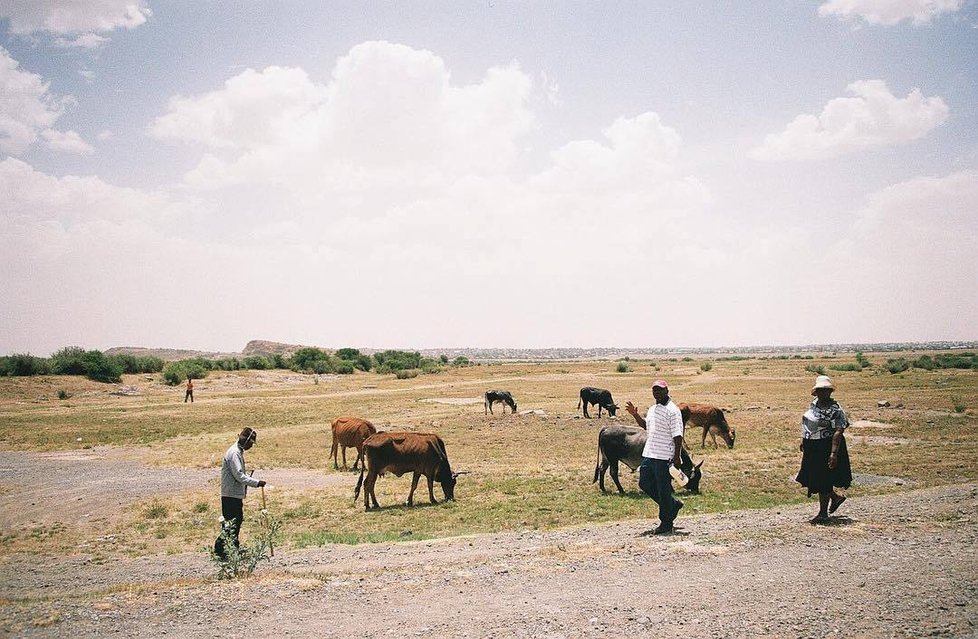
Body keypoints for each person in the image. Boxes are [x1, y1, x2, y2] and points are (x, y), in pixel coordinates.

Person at [625, 379, 685, 535]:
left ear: (667, 390)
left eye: (660, 390)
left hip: (664, 456)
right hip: (650, 454)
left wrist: (677, 456)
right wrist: (635, 415)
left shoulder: (673, 410)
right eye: (654, 390)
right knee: (644, 483)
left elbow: (678, 435)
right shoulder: (652, 409)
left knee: (663, 489)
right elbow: (646, 426)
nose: (657, 392)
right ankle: (672, 505)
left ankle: (666, 523)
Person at [796, 375, 852, 524]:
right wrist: (804, 440)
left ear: (830, 392)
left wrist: (833, 453)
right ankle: (835, 498)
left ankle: (823, 513)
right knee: (816, 477)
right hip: (812, 445)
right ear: (816, 392)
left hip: (826, 446)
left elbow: (838, 431)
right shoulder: (814, 404)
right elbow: (809, 423)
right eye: (820, 390)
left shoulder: (836, 410)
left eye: (826, 390)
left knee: (823, 478)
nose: (823, 393)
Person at [214, 427, 266, 558]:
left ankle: (232, 548)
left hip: (234, 494)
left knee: (236, 521)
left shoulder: (237, 452)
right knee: (232, 523)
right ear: (246, 441)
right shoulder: (234, 453)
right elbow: (239, 476)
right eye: (251, 443)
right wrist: (256, 482)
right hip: (230, 495)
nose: (251, 446)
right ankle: (221, 549)